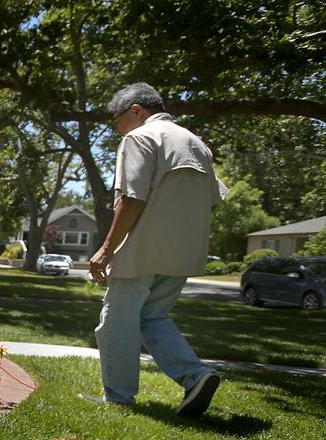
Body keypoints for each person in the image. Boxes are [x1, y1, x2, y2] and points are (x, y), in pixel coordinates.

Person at [84, 82, 227, 416]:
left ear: (136, 111)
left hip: (143, 247)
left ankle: (118, 399)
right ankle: (196, 376)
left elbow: (132, 198)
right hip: (185, 251)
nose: (116, 129)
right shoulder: (197, 144)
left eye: (115, 121)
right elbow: (213, 201)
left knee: (115, 322)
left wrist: (106, 249)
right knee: (153, 316)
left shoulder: (139, 138)